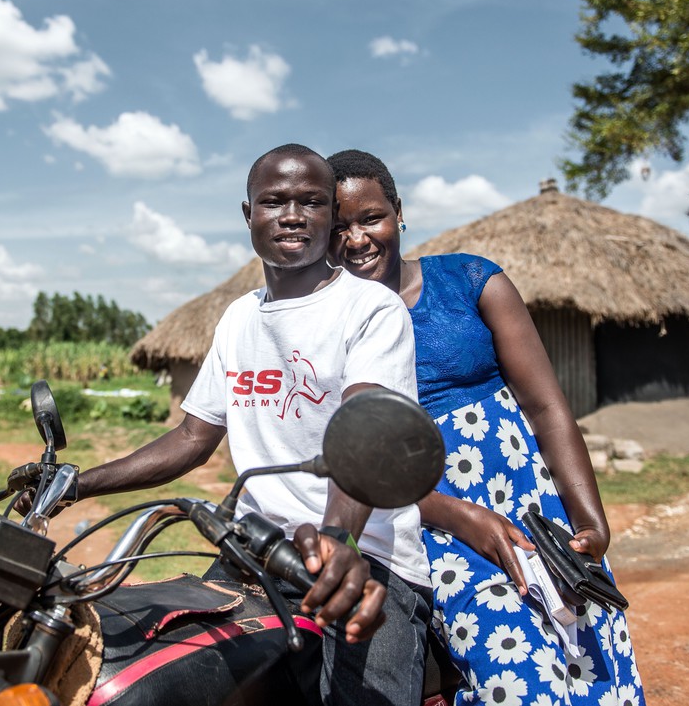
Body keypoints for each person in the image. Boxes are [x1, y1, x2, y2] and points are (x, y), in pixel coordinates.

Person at [72, 144, 432, 706]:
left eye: (311, 202)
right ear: (248, 215)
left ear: (329, 218)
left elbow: (367, 429)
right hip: (253, 553)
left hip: (363, 562)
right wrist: (78, 483)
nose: (292, 214)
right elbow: (193, 438)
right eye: (274, 201)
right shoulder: (239, 316)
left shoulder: (369, 310)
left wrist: (339, 540)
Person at [327, 149, 644, 706]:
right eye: (338, 228)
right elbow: (355, 458)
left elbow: (546, 407)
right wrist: (459, 516)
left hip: (531, 503)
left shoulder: (471, 281)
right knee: (515, 676)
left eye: (370, 217)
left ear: (399, 212)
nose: (356, 239)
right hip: (426, 520)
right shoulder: (326, 326)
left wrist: (590, 520)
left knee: (594, 661)